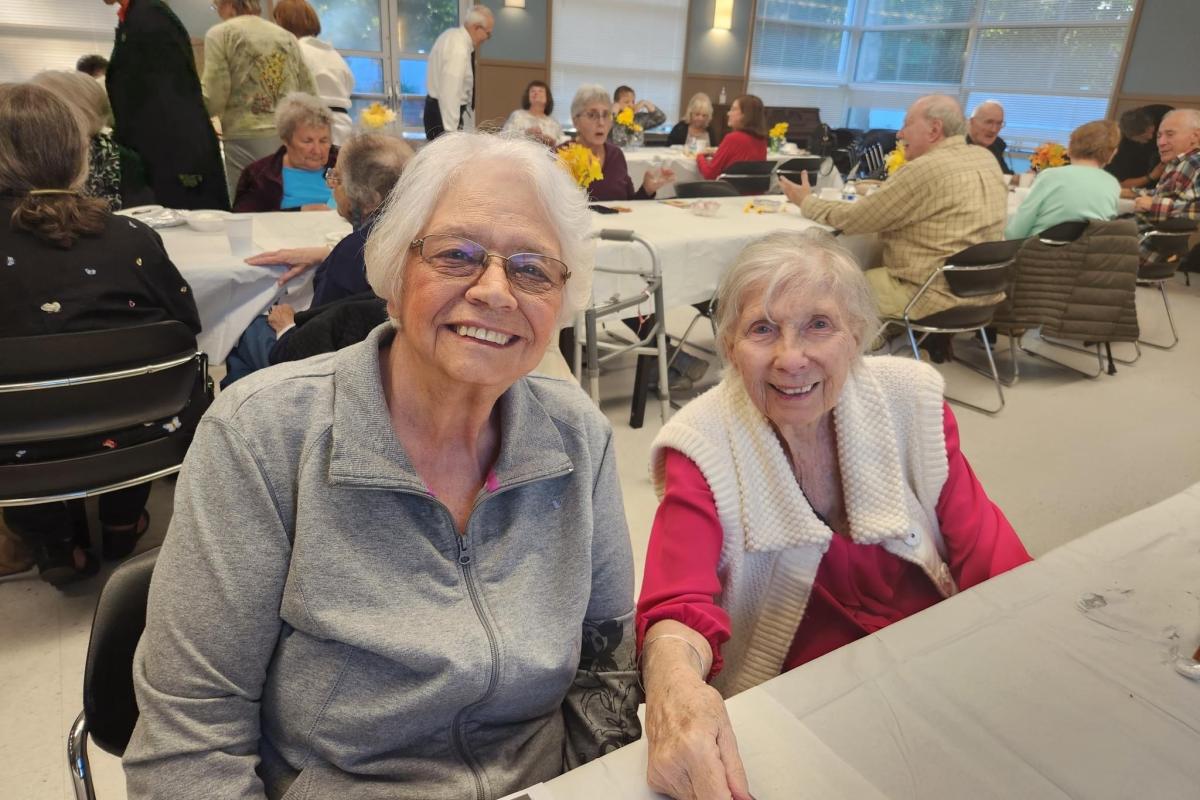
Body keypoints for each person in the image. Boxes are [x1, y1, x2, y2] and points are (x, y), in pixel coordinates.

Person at [122, 131, 640, 797]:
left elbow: (607, 663)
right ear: (395, 273)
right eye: (458, 255)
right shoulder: (261, 437)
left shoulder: (578, 437)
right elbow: (189, 740)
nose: (494, 291)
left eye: (532, 269)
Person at [636, 230, 1031, 799]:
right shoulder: (703, 444)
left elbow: (989, 554)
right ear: (729, 346)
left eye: (818, 325)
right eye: (762, 328)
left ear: (858, 335)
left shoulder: (909, 404)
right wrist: (675, 687)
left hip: (933, 660)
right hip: (798, 698)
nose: (790, 357)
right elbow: (677, 605)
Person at [0, 84, 201, 587]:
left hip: (14, 453)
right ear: (78, 155)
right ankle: (121, 520)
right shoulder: (133, 237)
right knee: (142, 378)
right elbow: (186, 323)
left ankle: (54, 543)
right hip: (140, 442)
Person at [781, 94, 1007, 323]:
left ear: (934, 130)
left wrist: (806, 201)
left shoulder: (924, 169)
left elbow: (853, 219)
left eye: (906, 124)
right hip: (983, 295)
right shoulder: (985, 158)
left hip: (927, 296)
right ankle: (902, 347)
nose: (899, 134)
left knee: (825, 289)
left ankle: (872, 352)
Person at [221, 132, 412, 384]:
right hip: (395, 365)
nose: (331, 185)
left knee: (245, 329)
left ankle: (251, 414)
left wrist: (287, 328)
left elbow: (317, 343)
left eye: (338, 179)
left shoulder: (352, 256)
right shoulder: (416, 236)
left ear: (366, 196)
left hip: (337, 373)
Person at [103, 0, 229, 210]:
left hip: (172, 155)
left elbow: (169, 93)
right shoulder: (136, 16)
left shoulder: (150, 17)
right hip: (163, 150)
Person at [202, 0, 318, 197]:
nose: (218, 12)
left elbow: (215, 94)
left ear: (229, 4)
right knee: (287, 204)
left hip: (244, 137)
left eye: (217, 6)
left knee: (249, 205)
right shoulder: (286, 37)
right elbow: (309, 93)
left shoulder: (221, 33)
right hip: (287, 138)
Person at [1006, 120, 1121, 239]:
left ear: (1070, 147)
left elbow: (1016, 232)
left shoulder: (1050, 177)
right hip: (1086, 254)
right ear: (1112, 154)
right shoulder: (1112, 184)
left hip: (1039, 253)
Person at [232, 92, 339, 212]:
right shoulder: (261, 176)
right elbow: (243, 219)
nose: (317, 150)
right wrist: (299, 211)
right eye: (307, 141)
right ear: (286, 140)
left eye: (324, 141)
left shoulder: (343, 165)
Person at [569, 84, 675, 201]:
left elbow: (629, 203)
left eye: (606, 115)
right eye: (592, 115)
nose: (601, 122)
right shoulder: (560, 157)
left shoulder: (615, 155)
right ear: (575, 121)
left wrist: (646, 190)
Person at [273, 0, 355, 146]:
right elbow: (349, 86)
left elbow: (284, 93)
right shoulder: (334, 54)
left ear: (281, 23)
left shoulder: (294, 51)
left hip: (310, 130)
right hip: (343, 129)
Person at [1134, 108, 1200, 261]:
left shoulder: (1193, 163)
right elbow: (1165, 196)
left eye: (1170, 134)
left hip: (1141, 251)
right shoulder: (1180, 163)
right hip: (1145, 246)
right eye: (1159, 136)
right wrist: (1129, 192)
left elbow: (1196, 209)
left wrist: (1153, 206)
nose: (1161, 142)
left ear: (1195, 136)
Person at [424, 5, 494, 141]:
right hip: (444, 117)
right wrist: (451, 135)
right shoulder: (458, 48)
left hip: (438, 111)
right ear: (476, 27)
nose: (487, 38)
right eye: (488, 33)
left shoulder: (451, 35)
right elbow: (450, 92)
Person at [696, 94, 768, 180]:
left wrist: (699, 156)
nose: (728, 113)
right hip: (755, 191)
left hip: (731, 192)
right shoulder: (762, 140)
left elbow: (709, 174)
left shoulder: (733, 138)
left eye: (733, 109)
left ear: (745, 115)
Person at [1107, 107, 1165, 189]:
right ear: (1131, 137)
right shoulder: (1118, 150)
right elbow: (1121, 184)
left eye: (1152, 132)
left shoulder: (1159, 117)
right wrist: (1151, 176)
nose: (1151, 137)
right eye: (1145, 137)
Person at [503, 79, 563, 147]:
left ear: (547, 97)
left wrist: (553, 142)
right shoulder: (518, 115)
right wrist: (526, 133)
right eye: (532, 91)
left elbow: (564, 145)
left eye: (540, 91)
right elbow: (504, 137)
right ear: (528, 97)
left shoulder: (554, 123)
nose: (536, 93)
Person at [965, 100, 1013, 176]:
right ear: (972, 122)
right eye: (989, 122)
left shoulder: (997, 144)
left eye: (999, 123)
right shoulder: (958, 145)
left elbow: (1005, 175)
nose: (994, 130)